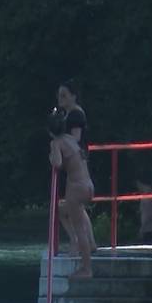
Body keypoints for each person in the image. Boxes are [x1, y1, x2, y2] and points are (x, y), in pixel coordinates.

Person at [49, 110, 94, 279]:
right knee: (62, 210)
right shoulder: (72, 139)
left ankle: (86, 269)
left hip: (76, 188)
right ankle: (79, 248)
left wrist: (51, 154)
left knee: (80, 229)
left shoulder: (57, 142)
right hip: (89, 185)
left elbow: (58, 163)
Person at [57, 80, 88, 158]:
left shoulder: (76, 114)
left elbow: (76, 138)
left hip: (75, 160)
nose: (60, 98)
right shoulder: (66, 113)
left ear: (73, 97)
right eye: (59, 95)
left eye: (63, 96)